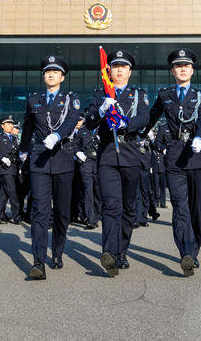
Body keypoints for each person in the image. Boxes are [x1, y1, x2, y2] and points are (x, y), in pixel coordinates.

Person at [145, 48, 201, 277]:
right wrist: (138, 131)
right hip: (174, 157)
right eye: (178, 66)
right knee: (180, 206)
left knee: (196, 209)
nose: (183, 69)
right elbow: (151, 117)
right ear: (172, 70)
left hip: (196, 157)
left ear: (192, 70)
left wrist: (199, 138)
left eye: (187, 65)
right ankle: (186, 252)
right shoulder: (165, 95)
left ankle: (195, 249)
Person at [84, 49, 150, 277]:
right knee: (111, 205)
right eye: (115, 67)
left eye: (124, 67)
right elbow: (89, 122)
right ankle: (109, 253)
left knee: (128, 207)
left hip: (130, 154)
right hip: (108, 156)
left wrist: (126, 124)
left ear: (129, 71)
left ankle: (122, 251)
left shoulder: (139, 94)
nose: (119, 70)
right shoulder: (101, 93)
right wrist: (102, 109)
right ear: (108, 70)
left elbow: (144, 117)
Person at [19, 55, 81, 280]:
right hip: (40, 160)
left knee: (63, 212)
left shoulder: (70, 98)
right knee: (39, 211)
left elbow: (71, 120)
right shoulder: (33, 99)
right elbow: (27, 126)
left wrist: (57, 135)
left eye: (55, 72)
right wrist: (23, 151)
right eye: (47, 72)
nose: (51, 75)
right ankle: (38, 262)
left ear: (62, 77)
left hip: (63, 158)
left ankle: (57, 252)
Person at [0, 116, 23, 225]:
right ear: (3, 126)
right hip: (4, 169)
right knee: (13, 193)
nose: (11, 125)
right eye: (8, 124)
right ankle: (17, 217)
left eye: (11, 124)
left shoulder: (14, 138)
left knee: (3, 195)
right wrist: (1, 158)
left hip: (13, 169)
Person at [72, 116, 100, 229]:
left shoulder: (102, 129)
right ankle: (91, 219)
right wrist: (78, 153)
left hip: (99, 164)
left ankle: (98, 214)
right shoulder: (82, 131)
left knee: (98, 192)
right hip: (86, 164)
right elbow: (75, 145)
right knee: (88, 192)